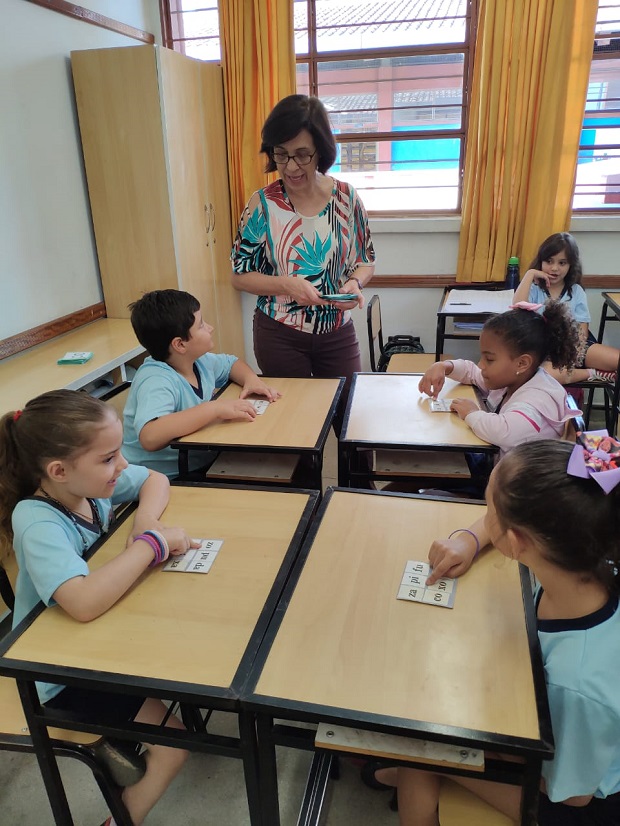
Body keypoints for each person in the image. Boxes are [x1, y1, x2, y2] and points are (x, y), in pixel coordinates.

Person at [383, 437, 620, 825]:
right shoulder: (580, 559)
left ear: (515, 542)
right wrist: (469, 539)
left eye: (488, 506)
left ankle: (409, 774)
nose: (483, 513)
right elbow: (509, 522)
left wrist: (490, 742)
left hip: (581, 805)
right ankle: (400, 772)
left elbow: (574, 794)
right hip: (565, 738)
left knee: (424, 748)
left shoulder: (576, 683)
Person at [0, 390, 194, 826]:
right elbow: (83, 603)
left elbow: (154, 481)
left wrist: (145, 521)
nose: (122, 465)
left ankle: (121, 742)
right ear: (59, 470)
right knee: (174, 746)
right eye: (109, 458)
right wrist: (153, 544)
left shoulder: (86, 486)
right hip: (55, 674)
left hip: (100, 642)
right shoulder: (37, 519)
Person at [230, 94, 375, 394]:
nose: (291, 166)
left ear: (320, 152)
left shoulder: (346, 199)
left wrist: (355, 283)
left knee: (349, 417)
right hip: (279, 333)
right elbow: (239, 275)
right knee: (295, 426)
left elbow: (365, 260)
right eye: (281, 154)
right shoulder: (263, 204)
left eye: (302, 154)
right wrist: (287, 285)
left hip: (337, 331)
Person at [122, 289, 280, 478]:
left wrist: (251, 380)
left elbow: (231, 364)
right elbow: (150, 436)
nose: (210, 328)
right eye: (202, 325)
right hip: (164, 478)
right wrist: (213, 409)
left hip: (201, 458)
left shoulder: (198, 361)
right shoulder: (155, 380)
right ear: (180, 344)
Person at [418, 302, 581, 458]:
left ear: (522, 363)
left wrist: (472, 413)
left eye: (489, 359)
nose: (481, 365)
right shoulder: (514, 378)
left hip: (515, 484)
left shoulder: (537, 400)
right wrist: (444, 366)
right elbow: (472, 372)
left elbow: (504, 432)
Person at [514, 232, 619, 384]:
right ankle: (592, 373)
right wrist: (530, 274)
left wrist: (573, 354)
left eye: (562, 263)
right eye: (549, 261)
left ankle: (578, 370)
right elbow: (517, 308)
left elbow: (582, 331)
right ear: (541, 261)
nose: (554, 268)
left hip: (575, 347)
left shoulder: (576, 290)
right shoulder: (534, 289)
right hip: (544, 349)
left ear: (571, 265)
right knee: (544, 374)